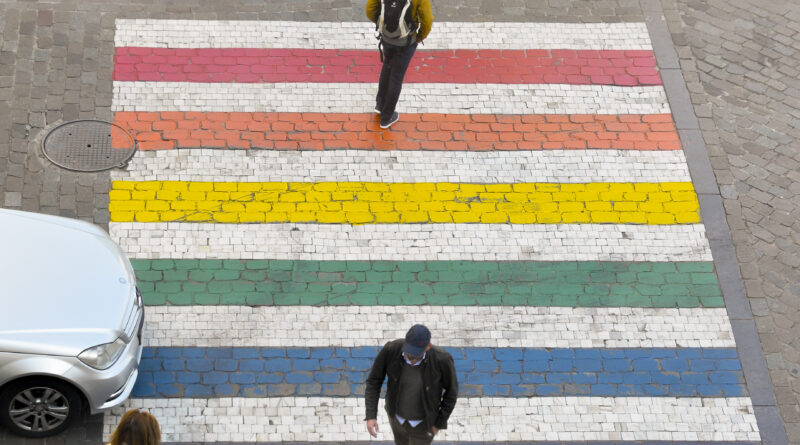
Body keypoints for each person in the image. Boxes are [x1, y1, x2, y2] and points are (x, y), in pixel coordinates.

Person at [365, 324, 458, 444]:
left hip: (425, 426)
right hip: (396, 421)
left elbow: (452, 393)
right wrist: (371, 415)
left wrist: (438, 424)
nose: (411, 358)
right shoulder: (391, 349)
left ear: (428, 347)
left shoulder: (442, 359)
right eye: (409, 352)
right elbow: (374, 381)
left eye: (416, 354)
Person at [366, 0, 433, 129]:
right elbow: (428, 20)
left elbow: (370, 9)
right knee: (396, 77)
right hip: (406, 42)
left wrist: (383, 24)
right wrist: (418, 37)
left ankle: (380, 105)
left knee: (387, 66)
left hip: (386, 38)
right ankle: (386, 118)